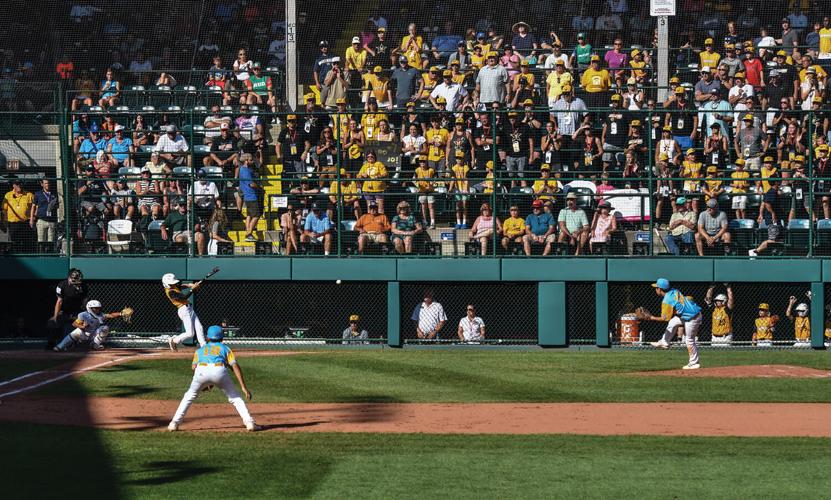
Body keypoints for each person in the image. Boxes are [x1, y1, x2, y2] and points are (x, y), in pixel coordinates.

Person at [168, 325, 261, 432]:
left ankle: (174, 423)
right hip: (219, 370)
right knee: (235, 398)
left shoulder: (200, 350)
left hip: (201, 371)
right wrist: (243, 387)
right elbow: (234, 366)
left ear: (208, 337)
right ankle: (249, 422)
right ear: (222, 338)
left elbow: (193, 367)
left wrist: (204, 382)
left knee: (189, 396)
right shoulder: (225, 348)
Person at [643, 278, 703, 370]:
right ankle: (665, 342)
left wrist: (651, 317)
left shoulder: (667, 300)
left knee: (689, 340)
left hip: (693, 317)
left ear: (659, 289)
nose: (655, 289)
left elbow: (664, 318)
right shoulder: (674, 290)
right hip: (688, 315)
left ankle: (694, 363)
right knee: (673, 322)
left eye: (656, 288)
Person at [53, 300, 125, 351]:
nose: (97, 310)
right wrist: (82, 327)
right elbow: (74, 324)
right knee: (77, 331)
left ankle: (95, 345)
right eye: (95, 308)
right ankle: (60, 346)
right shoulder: (83, 315)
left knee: (105, 328)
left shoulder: (101, 315)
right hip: (84, 334)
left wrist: (121, 314)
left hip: (94, 335)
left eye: (98, 308)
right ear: (89, 308)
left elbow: (111, 315)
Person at [46, 268, 89, 349]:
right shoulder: (61, 285)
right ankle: (51, 343)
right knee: (51, 323)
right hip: (64, 311)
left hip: (77, 311)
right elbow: (59, 301)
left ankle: (75, 344)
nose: (78, 280)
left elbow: (85, 301)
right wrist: (55, 316)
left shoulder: (84, 286)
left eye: (79, 277)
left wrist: (84, 315)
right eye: (76, 278)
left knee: (75, 326)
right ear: (70, 278)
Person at [163, 272, 206, 350]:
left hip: (189, 309)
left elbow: (180, 286)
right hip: (184, 310)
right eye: (171, 283)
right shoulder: (170, 292)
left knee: (199, 327)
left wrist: (190, 285)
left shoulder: (172, 286)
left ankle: (204, 346)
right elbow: (183, 297)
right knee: (190, 333)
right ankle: (174, 340)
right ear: (166, 284)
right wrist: (192, 289)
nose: (173, 284)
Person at [29, 178, 58, 252]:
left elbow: (57, 206)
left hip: (52, 220)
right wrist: (31, 219)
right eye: (45, 183)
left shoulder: (54, 194)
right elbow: (33, 207)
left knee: (51, 240)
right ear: (42, 184)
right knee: (41, 240)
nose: (47, 185)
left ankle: (50, 256)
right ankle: (41, 256)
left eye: (48, 183)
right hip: (41, 220)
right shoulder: (37, 194)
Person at [237, 154, 261, 242]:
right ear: (246, 161)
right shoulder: (246, 171)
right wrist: (259, 187)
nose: (252, 161)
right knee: (256, 215)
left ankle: (248, 231)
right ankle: (249, 233)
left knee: (249, 215)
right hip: (251, 195)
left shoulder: (242, 170)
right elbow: (251, 184)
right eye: (251, 160)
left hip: (247, 196)